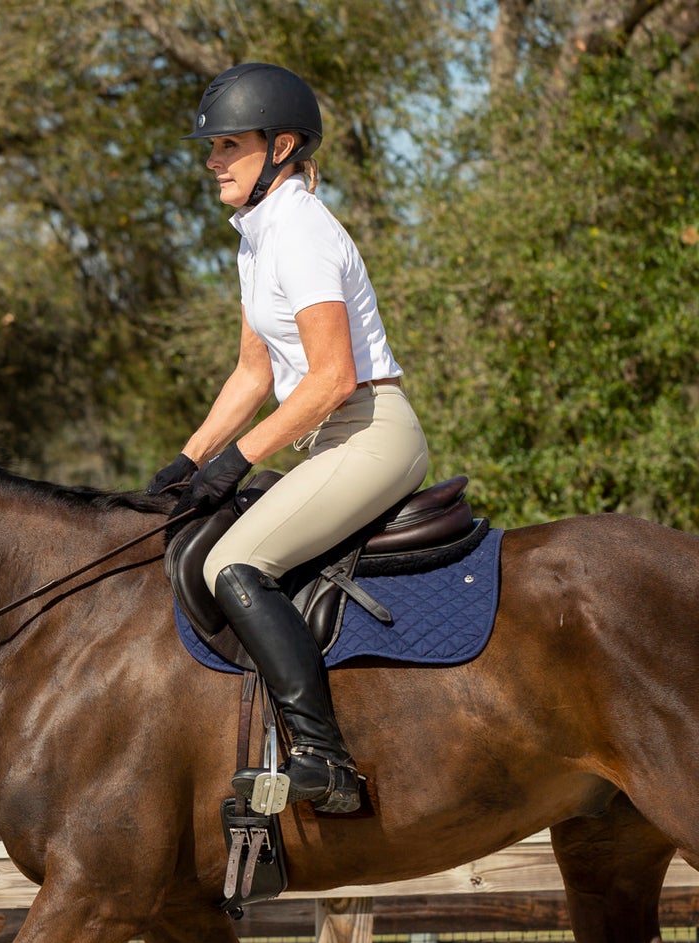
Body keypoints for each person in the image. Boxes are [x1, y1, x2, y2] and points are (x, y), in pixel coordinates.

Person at [149, 62, 429, 815]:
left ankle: (324, 759)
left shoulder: (300, 230)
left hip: (370, 431)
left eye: (228, 145)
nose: (213, 161)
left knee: (234, 563)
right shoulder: (258, 237)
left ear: (280, 148)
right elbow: (252, 372)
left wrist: (238, 460)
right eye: (213, 147)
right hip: (331, 437)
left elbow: (333, 377)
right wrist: (188, 459)